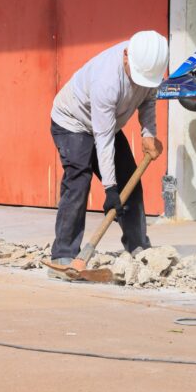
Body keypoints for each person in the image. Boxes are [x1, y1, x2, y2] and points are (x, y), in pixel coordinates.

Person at [48, 31, 169, 277]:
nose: (141, 82)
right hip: (73, 122)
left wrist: (148, 133)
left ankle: (138, 247)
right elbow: (102, 140)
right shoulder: (107, 79)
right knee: (78, 179)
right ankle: (64, 254)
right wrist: (110, 189)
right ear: (125, 56)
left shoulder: (150, 65)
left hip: (107, 125)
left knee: (130, 181)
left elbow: (148, 100)